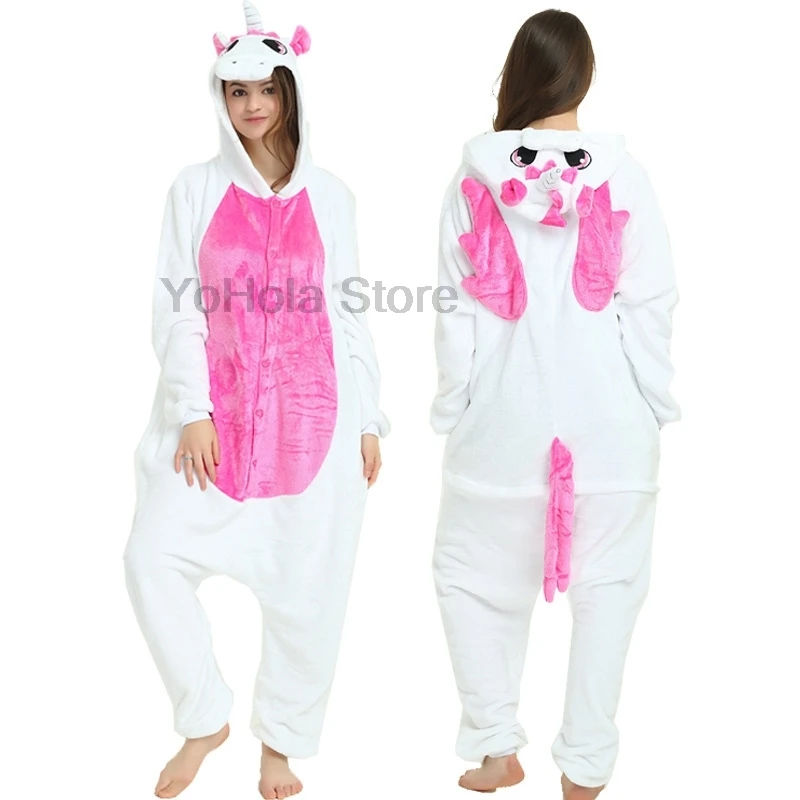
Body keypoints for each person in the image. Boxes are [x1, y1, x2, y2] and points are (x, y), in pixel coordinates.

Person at [123, 3, 389, 798]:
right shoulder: (195, 189)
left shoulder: (334, 197)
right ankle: (205, 717)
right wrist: (193, 408)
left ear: (291, 90)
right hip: (214, 428)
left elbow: (349, 311)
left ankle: (281, 746)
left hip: (315, 427)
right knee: (150, 558)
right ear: (220, 97)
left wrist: (369, 418)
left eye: (267, 88)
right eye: (236, 91)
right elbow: (177, 307)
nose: (252, 105)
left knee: (308, 593)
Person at [430, 10, 679, 799]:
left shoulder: (473, 178)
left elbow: (457, 313)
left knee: (470, 579)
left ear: (517, 76)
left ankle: (496, 746)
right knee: (611, 594)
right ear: (584, 77)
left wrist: (454, 407)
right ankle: (586, 768)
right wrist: (652, 399)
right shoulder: (623, 175)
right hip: (612, 430)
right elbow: (651, 302)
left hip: (502, 428)